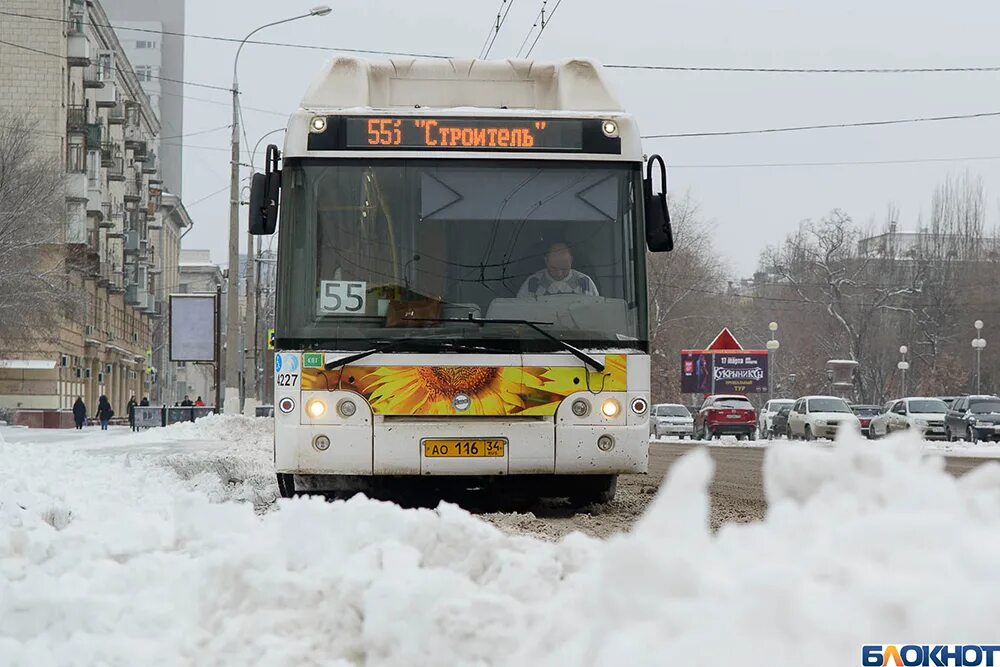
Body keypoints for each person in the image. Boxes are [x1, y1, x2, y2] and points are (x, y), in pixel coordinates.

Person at [517, 242, 599, 298]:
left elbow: (594, 310)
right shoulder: (533, 282)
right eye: (554, 268)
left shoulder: (584, 282)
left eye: (564, 268)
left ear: (571, 260)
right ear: (546, 261)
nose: (559, 273)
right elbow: (521, 310)